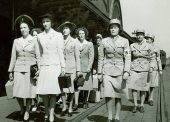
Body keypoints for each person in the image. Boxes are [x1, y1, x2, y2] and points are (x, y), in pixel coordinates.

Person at [98, 19, 131, 122]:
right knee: (108, 95)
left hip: (120, 71)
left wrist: (126, 71)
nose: (113, 29)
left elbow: (128, 58)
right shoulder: (104, 41)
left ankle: (117, 116)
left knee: (118, 95)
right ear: (109, 29)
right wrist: (100, 72)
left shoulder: (125, 41)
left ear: (119, 29)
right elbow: (101, 58)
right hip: (107, 71)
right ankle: (109, 116)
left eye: (115, 27)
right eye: (111, 27)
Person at [8, 15, 40, 121]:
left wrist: (39, 69)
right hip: (18, 68)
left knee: (30, 92)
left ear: (29, 28)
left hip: (30, 69)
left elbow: (38, 56)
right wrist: (10, 70)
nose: (22, 30)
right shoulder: (16, 41)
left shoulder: (34, 40)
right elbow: (13, 57)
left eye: (24, 27)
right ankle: (22, 107)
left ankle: (27, 111)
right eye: (21, 28)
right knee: (18, 92)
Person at [36, 13, 65, 122]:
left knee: (53, 92)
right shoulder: (39, 36)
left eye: (47, 21)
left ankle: (52, 114)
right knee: (43, 92)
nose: (45, 23)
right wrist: (39, 67)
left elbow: (60, 52)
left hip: (54, 65)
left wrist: (63, 67)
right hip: (44, 66)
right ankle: (46, 112)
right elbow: (38, 54)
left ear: (51, 22)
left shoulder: (58, 35)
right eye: (43, 22)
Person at [57, 21, 80, 117]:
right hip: (61, 68)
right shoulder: (59, 40)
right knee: (62, 89)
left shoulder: (75, 41)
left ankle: (70, 107)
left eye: (66, 28)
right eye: (63, 28)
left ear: (70, 30)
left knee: (71, 89)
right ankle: (64, 106)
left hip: (71, 68)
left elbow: (77, 56)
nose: (64, 30)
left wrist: (78, 70)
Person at [128, 30, 154, 113]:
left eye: (141, 35)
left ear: (143, 36)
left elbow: (153, 58)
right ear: (136, 36)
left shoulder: (149, 46)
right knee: (134, 87)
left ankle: (141, 105)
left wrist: (152, 67)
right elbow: (128, 57)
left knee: (143, 88)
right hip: (134, 68)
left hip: (144, 68)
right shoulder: (132, 46)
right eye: (138, 35)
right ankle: (135, 105)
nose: (139, 36)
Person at [74, 27, 94, 110]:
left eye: (82, 33)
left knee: (86, 86)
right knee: (77, 86)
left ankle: (85, 101)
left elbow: (91, 57)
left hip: (86, 68)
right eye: (79, 33)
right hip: (77, 67)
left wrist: (89, 67)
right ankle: (76, 103)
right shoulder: (75, 43)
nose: (81, 35)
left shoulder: (89, 44)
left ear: (85, 34)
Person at [145, 34, 162, 106]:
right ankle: (146, 94)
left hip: (154, 67)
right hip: (145, 67)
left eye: (148, 38)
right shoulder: (144, 46)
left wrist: (160, 69)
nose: (147, 40)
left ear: (152, 40)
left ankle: (151, 98)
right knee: (145, 83)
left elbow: (158, 59)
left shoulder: (156, 48)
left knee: (152, 84)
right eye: (146, 38)